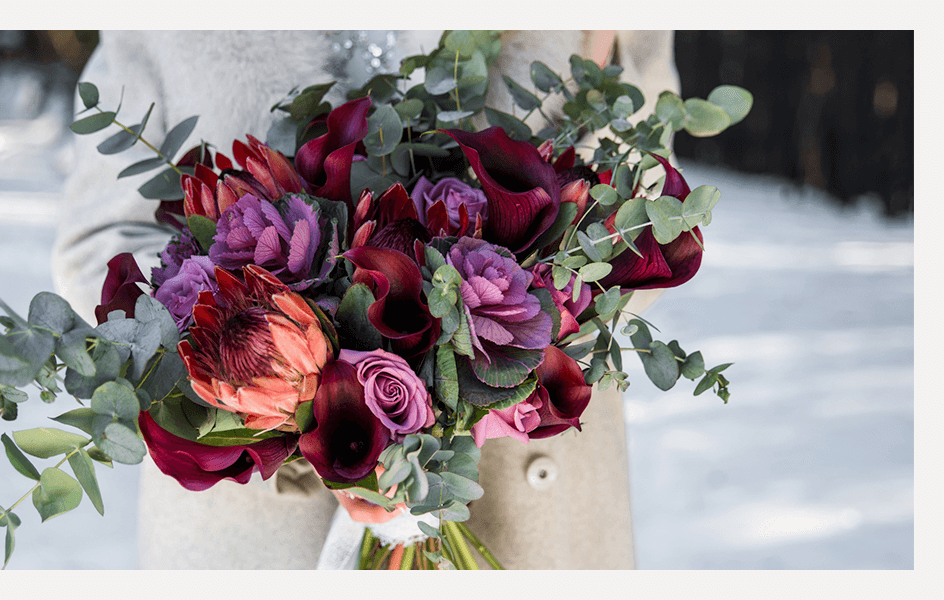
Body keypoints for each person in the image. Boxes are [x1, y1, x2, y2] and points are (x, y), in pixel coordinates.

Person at [52, 30, 679, 569]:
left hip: (528, 497)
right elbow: (101, 242)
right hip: (258, 533)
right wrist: (288, 400)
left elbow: (640, 217)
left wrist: (472, 404)